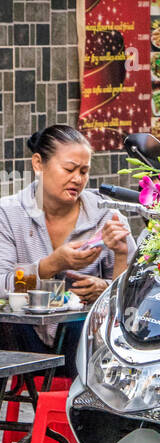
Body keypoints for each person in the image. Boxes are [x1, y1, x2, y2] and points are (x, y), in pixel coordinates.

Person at [0, 126, 135, 377]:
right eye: (69, 169)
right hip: (21, 339)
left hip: (87, 344)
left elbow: (134, 294)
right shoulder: (8, 214)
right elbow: (1, 283)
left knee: (82, 324)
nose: (78, 179)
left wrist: (106, 285)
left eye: (84, 171)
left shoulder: (107, 215)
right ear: (38, 164)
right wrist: (50, 265)